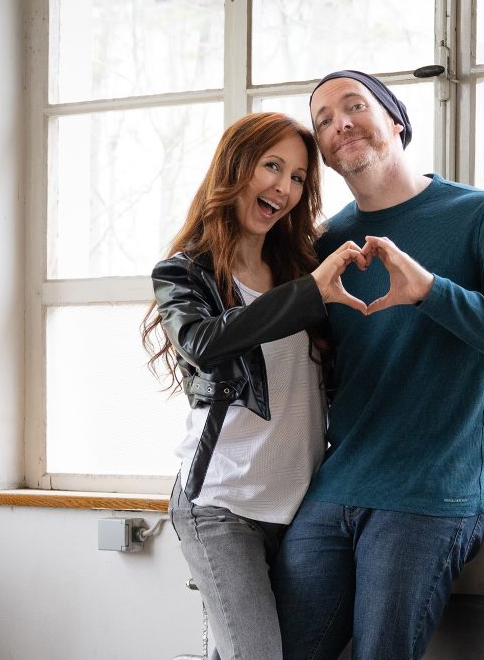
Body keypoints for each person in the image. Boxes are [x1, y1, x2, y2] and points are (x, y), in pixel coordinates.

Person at [270, 70, 484, 659]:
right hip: (336, 484)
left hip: (434, 493)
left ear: (396, 121)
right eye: (323, 120)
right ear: (323, 155)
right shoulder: (325, 246)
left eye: (353, 106)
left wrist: (431, 290)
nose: (338, 123)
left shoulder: (482, 215)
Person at [142, 111, 366, 660]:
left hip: (298, 504)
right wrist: (311, 293)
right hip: (221, 503)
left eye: (296, 177)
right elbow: (202, 341)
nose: (283, 188)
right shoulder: (185, 273)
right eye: (271, 166)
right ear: (235, 167)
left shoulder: (297, 269)